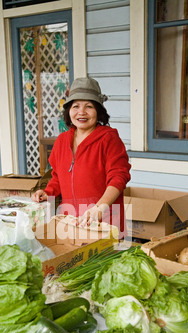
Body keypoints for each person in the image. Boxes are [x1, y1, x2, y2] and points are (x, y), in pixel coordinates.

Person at [32, 77, 131, 238]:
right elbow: (58, 176)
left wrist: (100, 208)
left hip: (104, 223)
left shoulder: (109, 139)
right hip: (71, 223)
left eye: (89, 106)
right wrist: (47, 192)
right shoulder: (62, 141)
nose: (81, 112)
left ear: (98, 111)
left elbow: (118, 177)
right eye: (75, 106)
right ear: (68, 110)